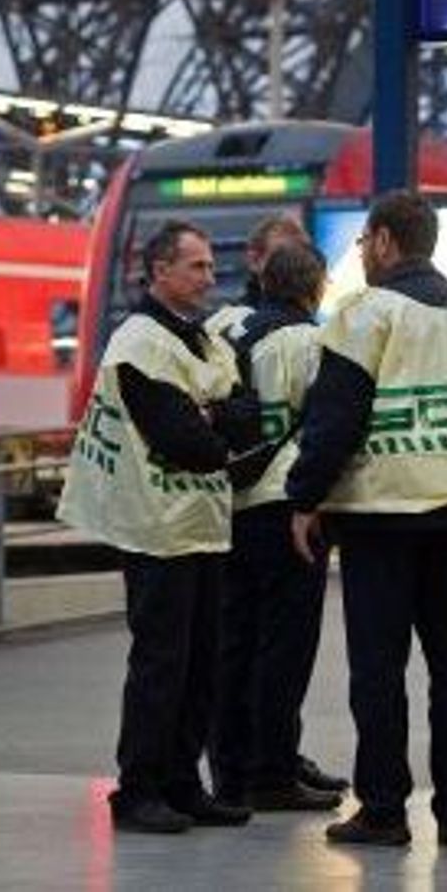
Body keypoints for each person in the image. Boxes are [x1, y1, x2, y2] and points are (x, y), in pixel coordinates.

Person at [286, 190, 447, 848]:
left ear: (384, 240)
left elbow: (336, 417)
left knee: (379, 668)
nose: (361, 256)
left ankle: (383, 808)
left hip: (382, 513)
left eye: (363, 244)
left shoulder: (367, 313)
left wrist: (304, 496)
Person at [57, 220, 262, 835]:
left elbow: (246, 421)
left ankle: (182, 782)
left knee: (202, 664)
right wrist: (217, 417)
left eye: (207, 265)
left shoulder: (200, 341)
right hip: (156, 527)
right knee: (161, 663)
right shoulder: (140, 344)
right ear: (160, 272)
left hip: (201, 522)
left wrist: (215, 416)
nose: (209, 276)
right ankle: (138, 788)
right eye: (196, 266)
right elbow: (188, 443)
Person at [209, 241, 344, 812]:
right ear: (314, 289)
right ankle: (273, 773)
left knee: (234, 646)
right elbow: (324, 427)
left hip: (231, 503)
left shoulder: (228, 333)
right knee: (284, 650)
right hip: (288, 508)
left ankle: (232, 772)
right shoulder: (309, 343)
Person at [205, 213, 310, 341]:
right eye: (280, 258)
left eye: (300, 259)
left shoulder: (318, 323)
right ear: (254, 260)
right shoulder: (225, 324)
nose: (291, 267)